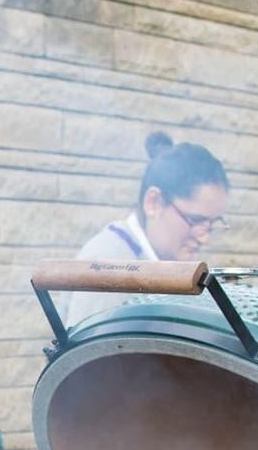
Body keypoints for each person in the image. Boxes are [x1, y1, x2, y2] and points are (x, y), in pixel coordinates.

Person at [64, 130, 230, 326]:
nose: (204, 238)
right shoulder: (109, 265)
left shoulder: (161, 262)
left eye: (212, 224)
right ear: (154, 202)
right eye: (195, 220)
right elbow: (89, 345)